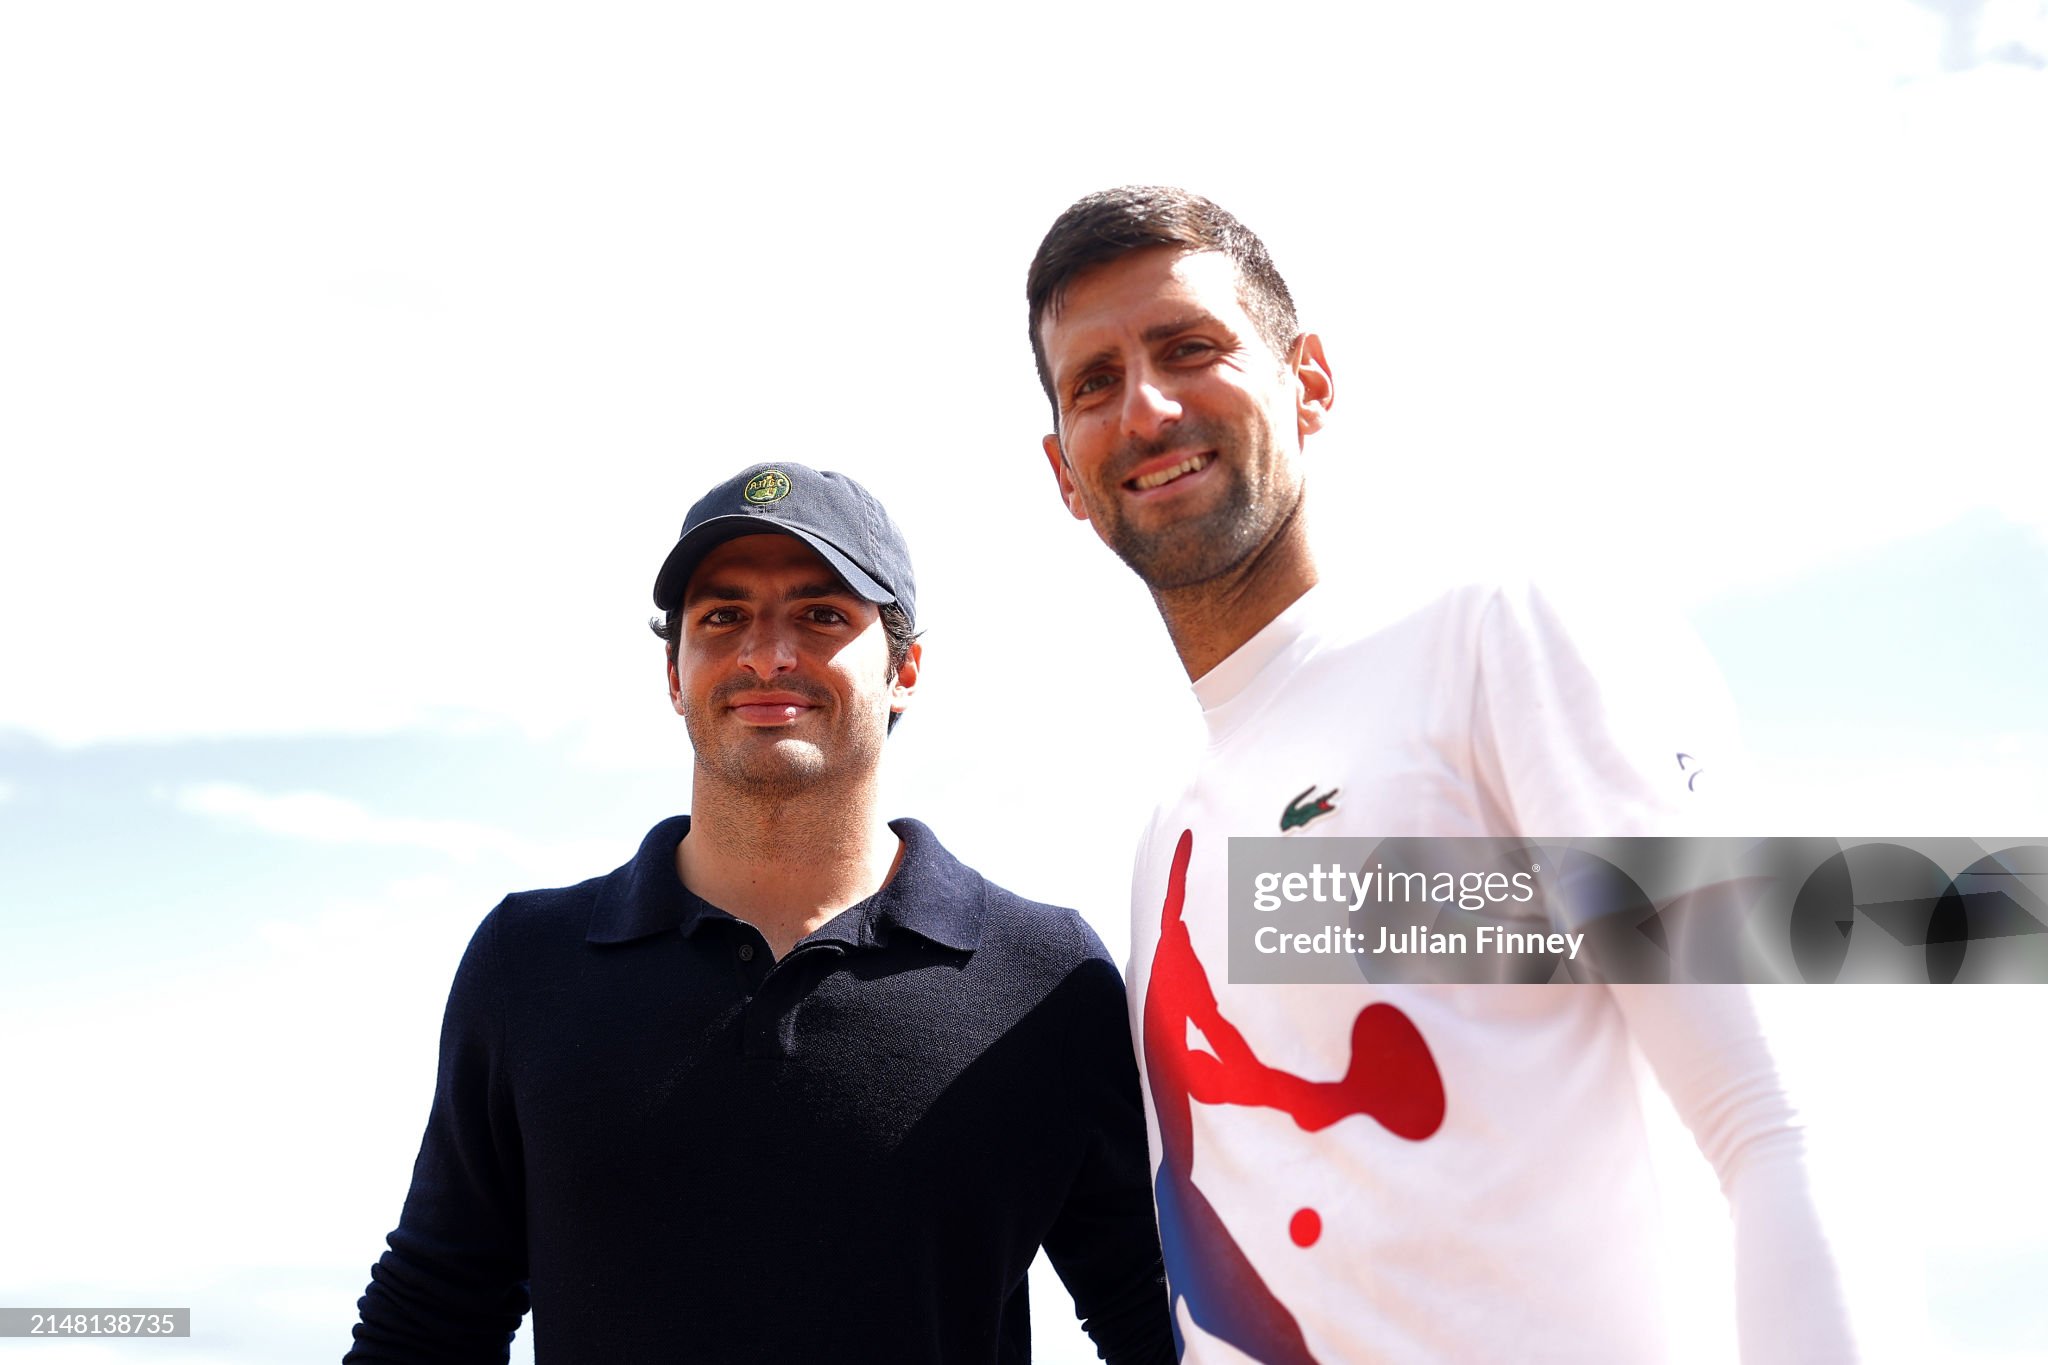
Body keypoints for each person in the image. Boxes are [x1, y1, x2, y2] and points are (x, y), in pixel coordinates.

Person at [1025, 187, 1856, 1364]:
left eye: (1189, 348)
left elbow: (1774, 1119)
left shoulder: (1498, 638)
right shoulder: (1169, 830)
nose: (1146, 408)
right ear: (1064, 471)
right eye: (1093, 383)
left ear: (1308, 380)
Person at [347, 461, 1173, 1363]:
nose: (766, 654)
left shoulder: (1042, 975)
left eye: (821, 616)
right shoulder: (529, 960)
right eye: (723, 617)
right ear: (674, 671)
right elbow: (433, 1314)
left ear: (906, 670)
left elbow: (1157, 1314)